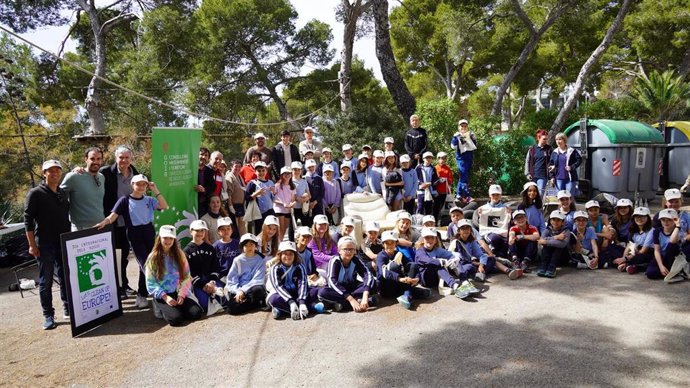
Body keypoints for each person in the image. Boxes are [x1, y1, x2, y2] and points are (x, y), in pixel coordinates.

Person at [94, 174, 168, 308]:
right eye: (138, 184)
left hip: (148, 231)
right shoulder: (124, 200)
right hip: (134, 233)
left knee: (149, 262)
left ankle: (142, 294)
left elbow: (164, 205)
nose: (141, 187)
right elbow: (112, 216)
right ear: (132, 185)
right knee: (145, 264)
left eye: (144, 184)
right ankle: (159, 294)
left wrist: (155, 189)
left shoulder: (149, 200)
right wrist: (104, 222)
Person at [24, 160, 71, 330]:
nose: (54, 173)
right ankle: (48, 315)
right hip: (44, 244)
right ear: (44, 173)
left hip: (63, 241)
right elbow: (27, 221)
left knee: (66, 277)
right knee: (46, 281)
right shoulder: (35, 193)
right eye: (50, 171)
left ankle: (68, 307)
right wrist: (31, 245)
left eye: (57, 170)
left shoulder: (63, 192)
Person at [100, 145, 140, 299]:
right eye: (121, 157)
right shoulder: (105, 173)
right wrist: (78, 170)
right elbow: (90, 175)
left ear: (131, 159)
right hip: (112, 222)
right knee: (114, 256)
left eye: (127, 157)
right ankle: (117, 287)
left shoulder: (135, 173)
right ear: (116, 158)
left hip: (129, 222)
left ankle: (124, 284)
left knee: (123, 256)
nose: (124, 160)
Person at [145, 225, 203, 326]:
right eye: (165, 238)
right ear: (159, 238)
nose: (168, 241)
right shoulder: (153, 257)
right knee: (176, 319)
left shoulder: (180, 254)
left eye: (171, 238)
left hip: (178, 291)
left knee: (196, 313)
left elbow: (186, 276)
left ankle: (177, 309)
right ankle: (160, 307)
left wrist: (182, 293)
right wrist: (165, 297)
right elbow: (150, 282)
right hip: (163, 294)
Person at [267, 241, 325, 320]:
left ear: (295, 255)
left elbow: (303, 284)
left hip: (296, 293)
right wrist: (291, 302)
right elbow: (278, 287)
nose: (288, 256)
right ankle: (311, 307)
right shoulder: (275, 268)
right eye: (285, 253)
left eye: (291, 253)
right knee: (273, 300)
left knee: (314, 291)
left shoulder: (299, 266)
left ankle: (282, 310)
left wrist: (302, 302)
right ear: (279, 255)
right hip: (282, 294)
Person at [318, 237, 377, 312]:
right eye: (345, 249)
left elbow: (367, 274)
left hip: (352, 287)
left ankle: (343, 304)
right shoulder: (334, 261)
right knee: (322, 292)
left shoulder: (356, 260)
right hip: (339, 290)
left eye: (351, 249)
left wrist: (365, 295)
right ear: (339, 250)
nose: (348, 252)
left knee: (375, 283)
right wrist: (351, 299)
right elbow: (332, 282)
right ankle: (359, 301)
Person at [376, 231, 431, 309]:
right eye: (387, 243)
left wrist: (417, 278)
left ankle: (407, 294)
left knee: (412, 265)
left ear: (396, 243)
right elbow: (383, 273)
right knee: (393, 266)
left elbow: (411, 265)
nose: (390, 245)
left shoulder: (398, 253)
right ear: (383, 244)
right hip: (386, 288)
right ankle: (409, 293)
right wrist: (400, 279)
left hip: (398, 284)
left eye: (392, 242)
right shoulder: (380, 256)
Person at [414, 227, 475, 298]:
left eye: (432, 238)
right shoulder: (420, 251)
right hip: (425, 280)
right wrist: (442, 261)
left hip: (437, 278)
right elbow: (428, 261)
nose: (430, 240)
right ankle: (455, 286)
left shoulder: (437, 250)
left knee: (455, 260)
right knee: (437, 265)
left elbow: (452, 254)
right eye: (427, 238)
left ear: (435, 240)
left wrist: (456, 258)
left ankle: (464, 282)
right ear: (423, 239)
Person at [183, 220, 224, 314]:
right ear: (191, 231)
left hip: (211, 280)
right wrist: (203, 285)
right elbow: (188, 272)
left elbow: (215, 266)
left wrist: (212, 282)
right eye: (197, 230)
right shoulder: (186, 251)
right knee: (205, 305)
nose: (200, 233)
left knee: (224, 299)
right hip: (198, 283)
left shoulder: (210, 248)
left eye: (203, 230)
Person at [60, 147, 105, 230]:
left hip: (100, 226)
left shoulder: (102, 177)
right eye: (92, 159)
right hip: (80, 228)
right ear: (86, 159)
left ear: (102, 160)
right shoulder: (74, 176)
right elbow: (58, 197)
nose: (95, 162)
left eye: (98, 159)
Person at [225, 233, 269, 314]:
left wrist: (243, 290)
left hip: (252, 289)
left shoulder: (260, 259)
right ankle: (255, 304)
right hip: (239, 290)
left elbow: (258, 279)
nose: (249, 247)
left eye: (251, 244)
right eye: (246, 245)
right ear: (242, 247)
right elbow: (232, 280)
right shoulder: (237, 260)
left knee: (258, 290)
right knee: (232, 308)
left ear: (255, 246)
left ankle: (251, 302)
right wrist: (238, 291)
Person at [446, 220, 485, 299]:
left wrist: (481, 265)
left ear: (470, 230)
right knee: (468, 267)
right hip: (455, 266)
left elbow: (481, 255)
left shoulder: (472, 241)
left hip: (468, 264)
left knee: (489, 260)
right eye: (463, 228)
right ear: (459, 231)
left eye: (468, 228)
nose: (466, 230)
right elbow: (450, 256)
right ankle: (465, 283)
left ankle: (472, 276)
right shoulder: (455, 242)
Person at [612, 207, 654, 274]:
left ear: (648, 218)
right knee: (612, 247)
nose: (639, 219)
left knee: (639, 257)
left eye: (642, 216)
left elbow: (643, 251)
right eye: (637, 217)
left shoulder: (651, 231)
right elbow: (630, 245)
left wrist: (625, 259)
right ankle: (626, 264)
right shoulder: (633, 229)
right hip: (635, 250)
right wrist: (624, 258)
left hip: (647, 252)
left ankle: (631, 266)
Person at [646, 209, 685, 281]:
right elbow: (657, 250)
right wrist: (661, 266)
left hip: (674, 257)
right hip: (662, 256)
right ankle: (671, 272)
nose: (666, 222)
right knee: (650, 273)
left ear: (675, 220)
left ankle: (676, 271)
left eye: (669, 220)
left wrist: (677, 226)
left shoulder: (679, 231)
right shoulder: (657, 231)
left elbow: (672, 241)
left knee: (670, 246)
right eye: (663, 220)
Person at [537, 210, 571, 278]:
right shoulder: (547, 230)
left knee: (558, 246)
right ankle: (544, 266)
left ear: (562, 222)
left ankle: (552, 267)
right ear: (550, 221)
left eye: (558, 220)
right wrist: (556, 237)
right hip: (549, 257)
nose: (555, 222)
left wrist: (546, 241)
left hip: (562, 258)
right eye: (553, 219)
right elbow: (540, 241)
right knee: (547, 246)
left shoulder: (566, 231)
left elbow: (562, 244)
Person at [245, 161, 276, 234]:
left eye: (263, 170)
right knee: (259, 232)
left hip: (270, 210)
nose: (261, 173)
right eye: (259, 171)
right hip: (259, 213)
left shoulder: (271, 182)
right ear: (255, 172)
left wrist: (274, 192)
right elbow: (247, 198)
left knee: (272, 231)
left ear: (266, 171)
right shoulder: (252, 183)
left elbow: (273, 199)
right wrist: (256, 193)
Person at [450, 119, 477, 203]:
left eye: (465, 126)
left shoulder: (471, 134)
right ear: (459, 127)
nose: (463, 128)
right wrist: (456, 138)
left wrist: (471, 138)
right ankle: (466, 195)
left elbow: (475, 145)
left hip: (469, 157)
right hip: (461, 158)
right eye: (462, 126)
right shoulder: (456, 135)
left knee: (464, 177)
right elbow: (453, 146)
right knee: (463, 176)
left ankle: (458, 195)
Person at [524, 129, 552, 195]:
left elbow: (553, 160)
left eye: (546, 139)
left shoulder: (549, 149)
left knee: (540, 194)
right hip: (533, 176)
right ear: (538, 138)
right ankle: (533, 205)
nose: (546, 141)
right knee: (532, 194)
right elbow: (527, 161)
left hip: (543, 176)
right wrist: (527, 173)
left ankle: (539, 205)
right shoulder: (532, 149)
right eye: (544, 139)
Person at [273, 166, 296, 241]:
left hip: (288, 210)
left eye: (289, 173)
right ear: (281, 175)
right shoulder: (277, 185)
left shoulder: (292, 186)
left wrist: (292, 204)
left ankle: (280, 243)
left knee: (284, 229)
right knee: (281, 229)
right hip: (279, 210)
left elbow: (293, 199)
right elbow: (273, 198)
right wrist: (283, 203)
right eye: (285, 173)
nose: (287, 175)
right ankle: (279, 245)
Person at [213, 217, 240, 281]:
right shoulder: (215, 246)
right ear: (219, 231)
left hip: (237, 274)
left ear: (232, 230)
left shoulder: (237, 243)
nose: (226, 231)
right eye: (223, 229)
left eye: (228, 228)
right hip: (222, 275)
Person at [226, 160, 247, 236]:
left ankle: (243, 241)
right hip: (234, 206)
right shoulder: (229, 177)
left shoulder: (239, 176)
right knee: (235, 227)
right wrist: (231, 206)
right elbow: (229, 193)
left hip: (241, 205)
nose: (237, 168)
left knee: (242, 227)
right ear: (231, 167)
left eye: (239, 166)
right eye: (236, 166)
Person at [291, 161, 312, 227]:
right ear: (292, 170)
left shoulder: (304, 181)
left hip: (304, 208)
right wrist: (297, 198)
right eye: (295, 170)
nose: (297, 171)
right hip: (294, 208)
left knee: (306, 226)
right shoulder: (289, 181)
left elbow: (309, 195)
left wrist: (306, 197)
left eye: (298, 170)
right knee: (292, 228)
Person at [195, 147, 216, 216]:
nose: (203, 157)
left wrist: (204, 189)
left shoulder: (210, 171)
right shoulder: (191, 170)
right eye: (201, 154)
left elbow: (213, 187)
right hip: (191, 204)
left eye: (206, 155)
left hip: (204, 205)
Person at [433, 152, 453, 221]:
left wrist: (446, 179)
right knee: (436, 207)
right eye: (441, 158)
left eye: (444, 158)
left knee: (444, 208)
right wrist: (438, 179)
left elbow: (451, 180)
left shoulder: (448, 168)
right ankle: (434, 221)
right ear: (438, 159)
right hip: (436, 192)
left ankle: (442, 221)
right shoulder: (434, 168)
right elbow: (432, 179)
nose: (443, 160)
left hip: (445, 192)